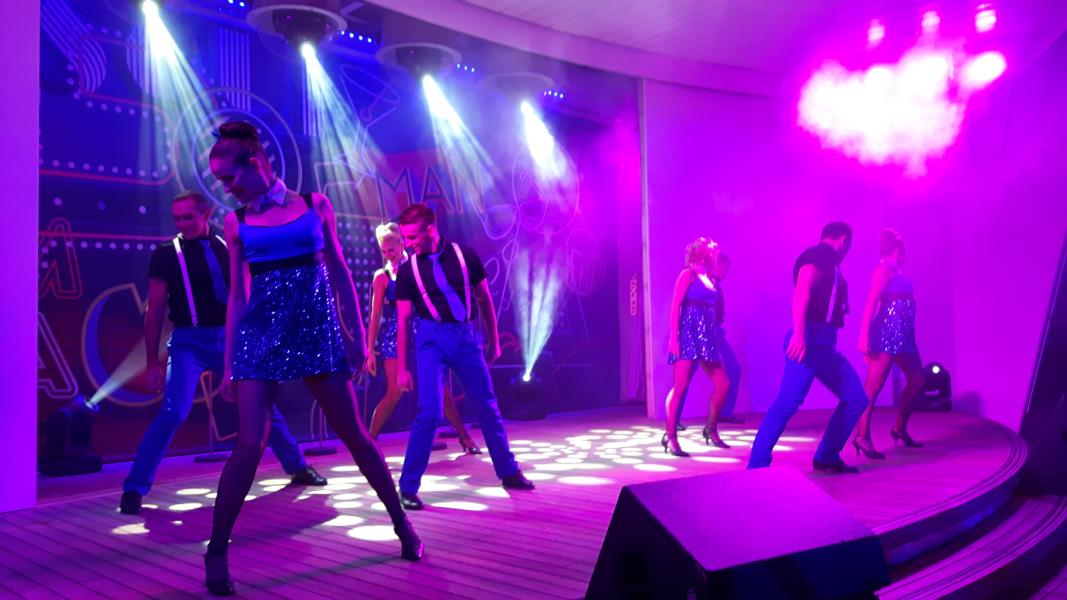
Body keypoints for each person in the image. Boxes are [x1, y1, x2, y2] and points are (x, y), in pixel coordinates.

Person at [203, 122, 421, 596]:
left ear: (255, 164)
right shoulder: (235, 222)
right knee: (249, 443)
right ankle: (216, 549)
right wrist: (229, 362)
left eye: (229, 177)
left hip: (316, 334)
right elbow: (238, 296)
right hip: (261, 337)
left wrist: (359, 336)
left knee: (355, 435)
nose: (226, 187)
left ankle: (401, 523)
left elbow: (340, 272)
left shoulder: (314, 204)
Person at [119, 191, 326, 517]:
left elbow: (246, 295)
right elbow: (155, 309)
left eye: (188, 217)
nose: (182, 223)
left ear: (206, 214)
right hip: (188, 341)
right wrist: (151, 362)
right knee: (173, 412)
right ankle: (134, 488)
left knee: (260, 406)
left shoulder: (227, 248)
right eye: (177, 218)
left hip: (229, 337)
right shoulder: (166, 254)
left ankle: (297, 466)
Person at [393, 203, 534, 510]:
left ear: (431, 229)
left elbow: (484, 298)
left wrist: (494, 339)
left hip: (466, 338)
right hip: (431, 340)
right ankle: (407, 488)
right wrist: (402, 367)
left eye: (412, 237)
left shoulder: (464, 255)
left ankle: (508, 472)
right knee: (430, 411)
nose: (408, 243)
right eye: (405, 238)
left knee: (487, 405)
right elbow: (402, 320)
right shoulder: (407, 270)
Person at [747, 222, 870, 473]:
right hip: (809, 341)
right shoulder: (818, 256)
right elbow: (802, 291)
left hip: (826, 345)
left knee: (856, 398)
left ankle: (826, 456)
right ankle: (757, 465)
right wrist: (799, 335)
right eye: (849, 246)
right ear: (843, 240)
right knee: (788, 402)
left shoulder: (831, 264)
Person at [364, 222, 481, 454]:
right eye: (384, 251)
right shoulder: (382, 277)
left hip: (424, 333)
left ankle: (465, 437)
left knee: (438, 390)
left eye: (391, 249)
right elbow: (375, 315)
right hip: (395, 336)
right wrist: (370, 351)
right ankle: (367, 445)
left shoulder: (418, 266)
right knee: (394, 391)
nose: (388, 254)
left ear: (402, 243)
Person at [853, 229, 926, 458]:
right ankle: (862, 436)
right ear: (898, 249)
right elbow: (871, 302)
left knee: (918, 380)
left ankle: (899, 429)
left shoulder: (897, 271)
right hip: (886, 333)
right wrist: (864, 336)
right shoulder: (883, 269)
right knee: (874, 386)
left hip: (904, 335)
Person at [662, 237, 732, 457]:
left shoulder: (710, 278)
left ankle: (711, 429)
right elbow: (675, 306)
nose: (715, 254)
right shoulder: (688, 274)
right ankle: (670, 435)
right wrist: (674, 338)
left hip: (707, 337)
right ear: (701, 253)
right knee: (680, 386)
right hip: (688, 335)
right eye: (712, 251)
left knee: (723, 384)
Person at [712, 254, 744, 424]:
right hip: (707, 334)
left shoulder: (715, 285)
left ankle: (725, 412)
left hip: (716, 333)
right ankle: (674, 418)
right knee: (686, 376)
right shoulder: (706, 284)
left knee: (734, 370)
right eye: (725, 269)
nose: (726, 273)